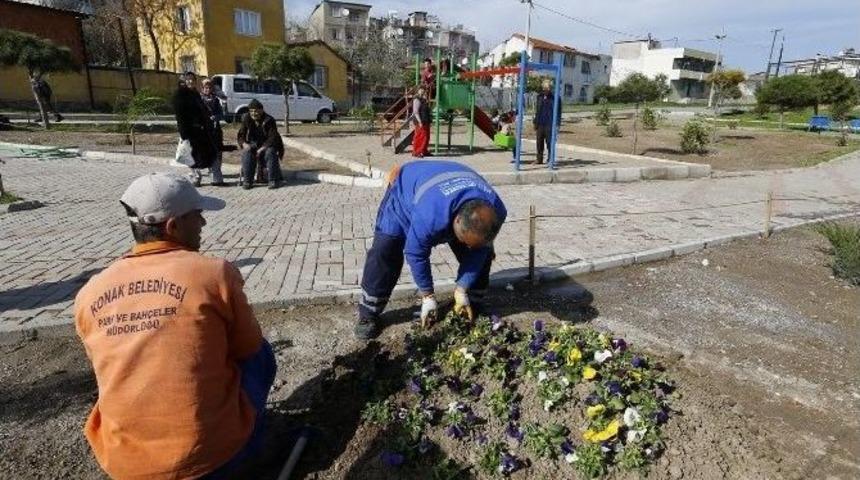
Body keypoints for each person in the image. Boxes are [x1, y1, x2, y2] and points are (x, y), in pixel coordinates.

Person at [74, 172, 276, 479]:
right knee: (261, 353)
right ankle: (248, 444)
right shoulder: (213, 274)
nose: (204, 224)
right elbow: (247, 347)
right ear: (173, 226)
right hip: (209, 461)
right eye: (198, 216)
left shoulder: (90, 293)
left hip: (125, 463)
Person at [354, 160, 507, 340]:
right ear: (456, 221)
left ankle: (472, 301)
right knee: (386, 248)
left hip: (446, 185)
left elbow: (479, 250)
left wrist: (462, 289)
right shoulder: (431, 215)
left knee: (483, 252)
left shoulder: (497, 209)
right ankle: (369, 311)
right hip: (406, 193)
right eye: (464, 240)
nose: (468, 246)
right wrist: (428, 295)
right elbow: (416, 253)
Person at [173, 71, 217, 186]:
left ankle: (197, 176)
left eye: (192, 79)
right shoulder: (180, 95)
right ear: (184, 81)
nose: (190, 81)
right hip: (188, 130)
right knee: (189, 155)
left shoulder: (196, 94)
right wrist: (183, 133)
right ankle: (196, 176)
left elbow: (201, 111)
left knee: (196, 155)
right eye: (188, 79)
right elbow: (180, 116)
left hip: (199, 130)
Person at [237, 99, 284, 190]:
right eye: (251, 111)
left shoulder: (269, 120)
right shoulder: (246, 118)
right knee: (247, 152)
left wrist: (262, 148)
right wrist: (244, 144)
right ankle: (247, 181)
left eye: (256, 111)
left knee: (270, 153)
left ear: (261, 110)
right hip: (253, 144)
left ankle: (273, 180)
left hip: (268, 144)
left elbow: (273, 137)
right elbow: (241, 135)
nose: (254, 113)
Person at [200, 78, 227, 186]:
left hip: (215, 130)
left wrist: (216, 117)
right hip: (204, 130)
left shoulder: (216, 99)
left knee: (218, 150)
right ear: (202, 88)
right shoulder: (199, 99)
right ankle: (206, 172)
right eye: (206, 87)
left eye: (210, 87)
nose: (208, 89)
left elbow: (222, 114)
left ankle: (216, 172)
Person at [533, 79, 562, 165]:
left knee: (549, 142)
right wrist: (535, 122)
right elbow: (537, 110)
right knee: (539, 142)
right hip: (540, 123)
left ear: (550, 88)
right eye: (544, 88)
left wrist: (557, 124)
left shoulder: (556, 98)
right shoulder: (540, 96)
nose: (545, 90)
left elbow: (558, 112)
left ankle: (550, 159)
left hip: (550, 123)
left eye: (547, 89)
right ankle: (539, 159)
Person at [411, 88, 431, 158]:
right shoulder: (416, 99)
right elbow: (416, 112)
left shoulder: (424, 99)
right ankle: (416, 152)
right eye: (420, 90)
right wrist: (420, 122)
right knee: (420, 137)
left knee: (426, 137)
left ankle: (424, 150)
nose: (422, 91)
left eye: (423, 90)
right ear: (417, 91)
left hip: (426, 120)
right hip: (420, 121)